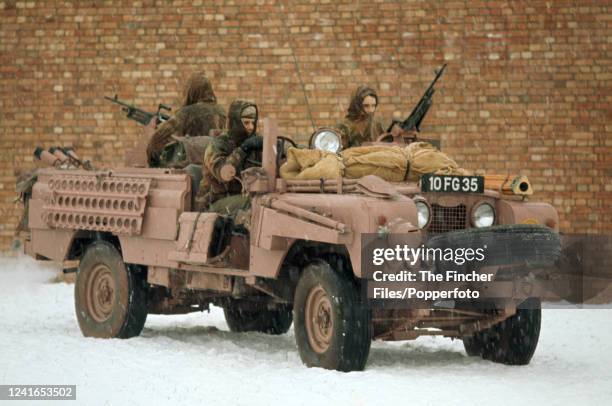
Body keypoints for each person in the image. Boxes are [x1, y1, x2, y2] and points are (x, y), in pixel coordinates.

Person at [196, 99, 262, 216]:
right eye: (246, 123)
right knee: (255, 204)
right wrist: (243, 150)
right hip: (214, 204)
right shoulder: (218, 145)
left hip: (239, 200)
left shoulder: (254, 143)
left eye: (253, 122)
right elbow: (224, 173)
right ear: (236, 122)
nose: (251, 127)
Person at [146, 72, 226, 167]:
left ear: (190, 92)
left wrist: (152, 133)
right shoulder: (222, 112)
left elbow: (156, 143)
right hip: (214, 168)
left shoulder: (184, 113)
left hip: (189, 170)